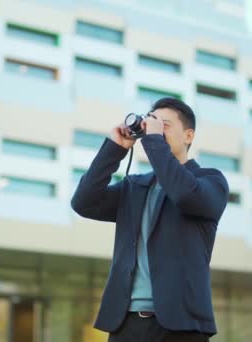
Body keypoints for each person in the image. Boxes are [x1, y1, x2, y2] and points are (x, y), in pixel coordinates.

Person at [71, 97, 229, 341]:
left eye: (164, 124)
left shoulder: (210, 181)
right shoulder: (135, 186)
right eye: (152, 123)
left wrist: (155, 140)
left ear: (189, 136)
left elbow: (184, 195)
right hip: (125, 324)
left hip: (181, 326)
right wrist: (115, 147)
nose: (154, 129)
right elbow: (83, 202)